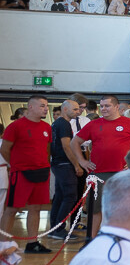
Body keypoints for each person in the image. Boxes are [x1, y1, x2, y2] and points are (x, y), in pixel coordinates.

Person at [70, 95, 130, 239]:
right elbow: (74, 142)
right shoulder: (94, 124)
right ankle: (91, 241)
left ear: (117, 107)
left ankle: (122, 239)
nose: (103, 109)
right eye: (101, 106)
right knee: (95, 210)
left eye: (107, 106)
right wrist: (82, 162)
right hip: (98, 174)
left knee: (123, 209)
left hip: (123, 174)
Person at [1, 96, 53, 254]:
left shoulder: (46, 127)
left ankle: (33, 243)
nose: (45, 109)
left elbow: (47, 149)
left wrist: (44, 163)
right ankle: (3, 243)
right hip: (21, 173)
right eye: (42, 106)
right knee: (12, 209)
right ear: (30, 107)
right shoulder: (15, 126)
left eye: (46, 106)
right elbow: (4, 149)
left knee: (36, 208)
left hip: (42, 172)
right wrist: (15, 165)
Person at [48, 99, 85, 241]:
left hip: (58, 163)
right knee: (70, 195)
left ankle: (54, 228)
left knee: (60, 195)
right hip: (64, 163)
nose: (77, 112)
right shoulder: (63, 124)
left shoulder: (58, 123)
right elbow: (66, 146)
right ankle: (59, 228)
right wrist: (76, 164)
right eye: (75, 109)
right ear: (65, 109)